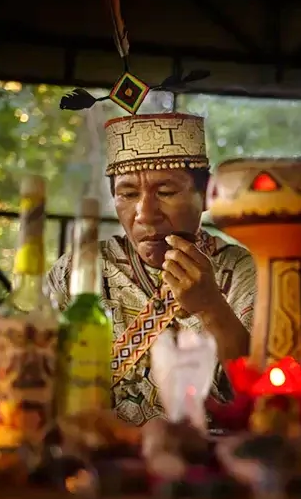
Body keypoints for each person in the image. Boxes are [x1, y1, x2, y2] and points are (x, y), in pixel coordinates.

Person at [47, 113, 255, 426]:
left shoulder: (244, 272)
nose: (145, 214)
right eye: (128, 194)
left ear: (206, 194)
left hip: (206, 462)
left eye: (166, 192)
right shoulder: (77, 271)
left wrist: (212, 309)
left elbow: (265, 396)